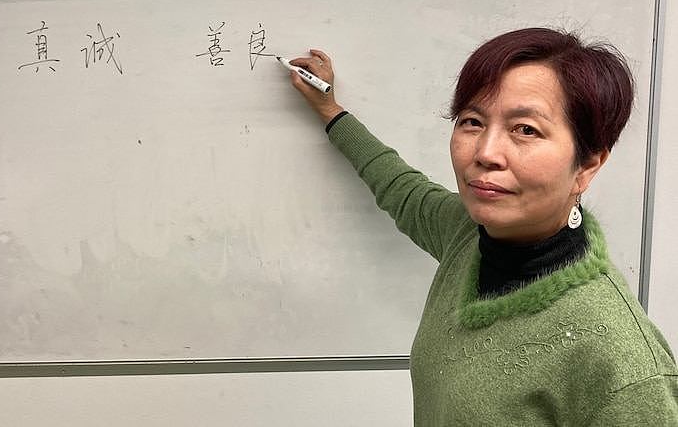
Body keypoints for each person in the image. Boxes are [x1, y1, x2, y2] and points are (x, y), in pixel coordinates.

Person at [285, 28, 678, 425]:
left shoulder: (620, 360)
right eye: (472, 121)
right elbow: (397, 184)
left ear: (587, 165)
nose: (486, 153)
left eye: (526, 129)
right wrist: (330, 110)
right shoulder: (467, 234)